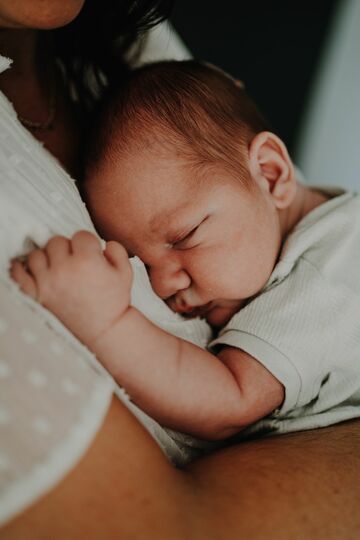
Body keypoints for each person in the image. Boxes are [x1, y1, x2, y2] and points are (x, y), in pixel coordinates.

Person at [1, 2, 360, 538]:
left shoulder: (326, 274)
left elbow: (227, 402)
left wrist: (106, 322)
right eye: (143, 264)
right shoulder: (275, 220)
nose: (166, 283)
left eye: (186, 236)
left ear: (270, 172)